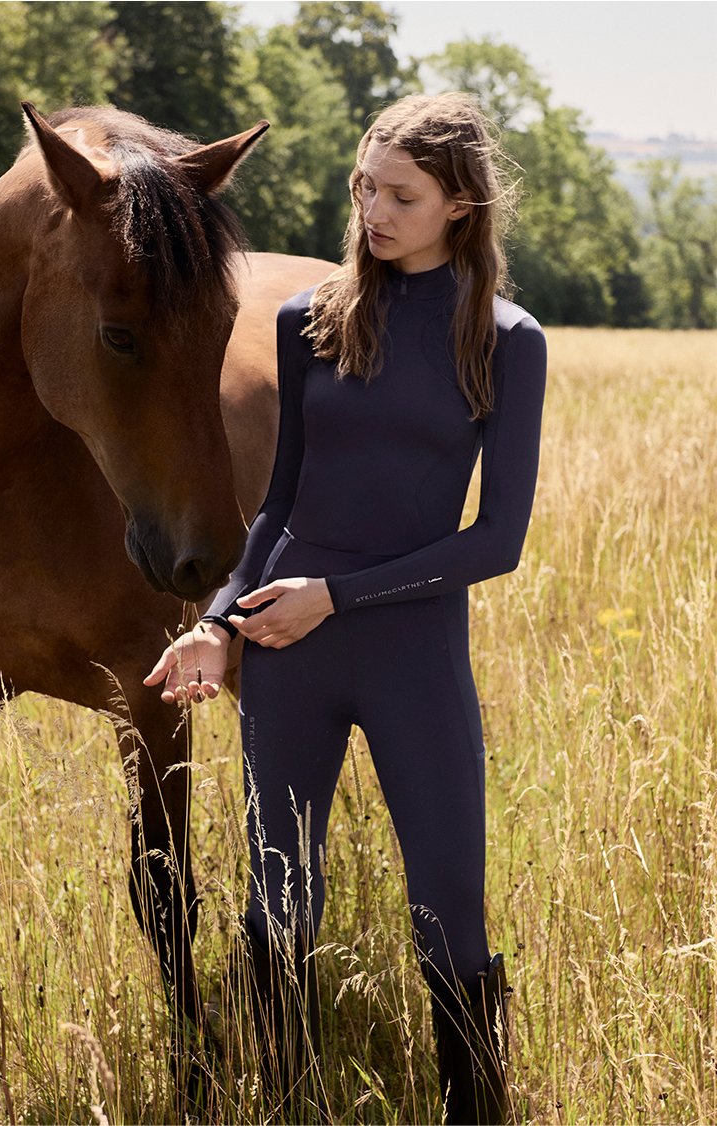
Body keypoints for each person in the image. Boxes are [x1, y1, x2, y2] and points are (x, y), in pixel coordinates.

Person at [143, 93, 544, 1125]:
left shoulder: (503, 338)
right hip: (286, 652)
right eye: (363, 186)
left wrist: (337, 597)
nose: (373, 208)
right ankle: (282, 1101)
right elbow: (277, 505)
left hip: (409, 653)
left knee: (447, 921)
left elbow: (494, 540)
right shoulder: (306, 322)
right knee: (277, 910)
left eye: (401, 194)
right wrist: (219, 624)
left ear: (459, 204)